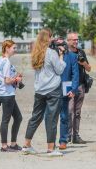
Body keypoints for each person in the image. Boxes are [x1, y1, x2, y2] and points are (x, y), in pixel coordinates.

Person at [22, 29, 66, 157]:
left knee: (35, 117)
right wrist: (61, 56)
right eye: (51, 37)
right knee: (51, 119)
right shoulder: (52, 53)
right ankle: (50, 149)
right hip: (53, 90)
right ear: (48, 38)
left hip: (39, 90)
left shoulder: (35, 53)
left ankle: (26, 145)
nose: (52, 39)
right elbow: (59, 70)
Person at [0, 40, 23, 152]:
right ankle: (4, 146)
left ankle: (13, 143)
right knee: (6, 120)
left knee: (18, 117)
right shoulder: (6, 61)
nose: (15, 50)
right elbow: (7, 81)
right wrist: (17, 79)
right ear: (7, 48)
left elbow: (1, 77)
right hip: (7, 94)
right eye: (14, 48)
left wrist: (15, 76)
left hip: (2, 93)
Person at [67, 32, 91, 144]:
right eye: (73, 40)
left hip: (80, 85)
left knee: (77, 112)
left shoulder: (81, 52)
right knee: (69, 111)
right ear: (68, 40)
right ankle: (67, 135)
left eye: (77, 39)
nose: (76, 41)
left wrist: (84, 63)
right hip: (69, 85)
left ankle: (76, 136)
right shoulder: (65, 52)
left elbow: (89, 68)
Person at [58, 36, 79, 150]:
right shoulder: (51, 56)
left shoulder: (72, 56)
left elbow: (75, 74)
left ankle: (63, 141)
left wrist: (74, 89)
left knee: (64, 116)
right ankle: (50, 141)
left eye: (62, 44)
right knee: (50, 117)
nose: (60, 47)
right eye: (58, 45)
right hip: (50, 90)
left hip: (65, 90)